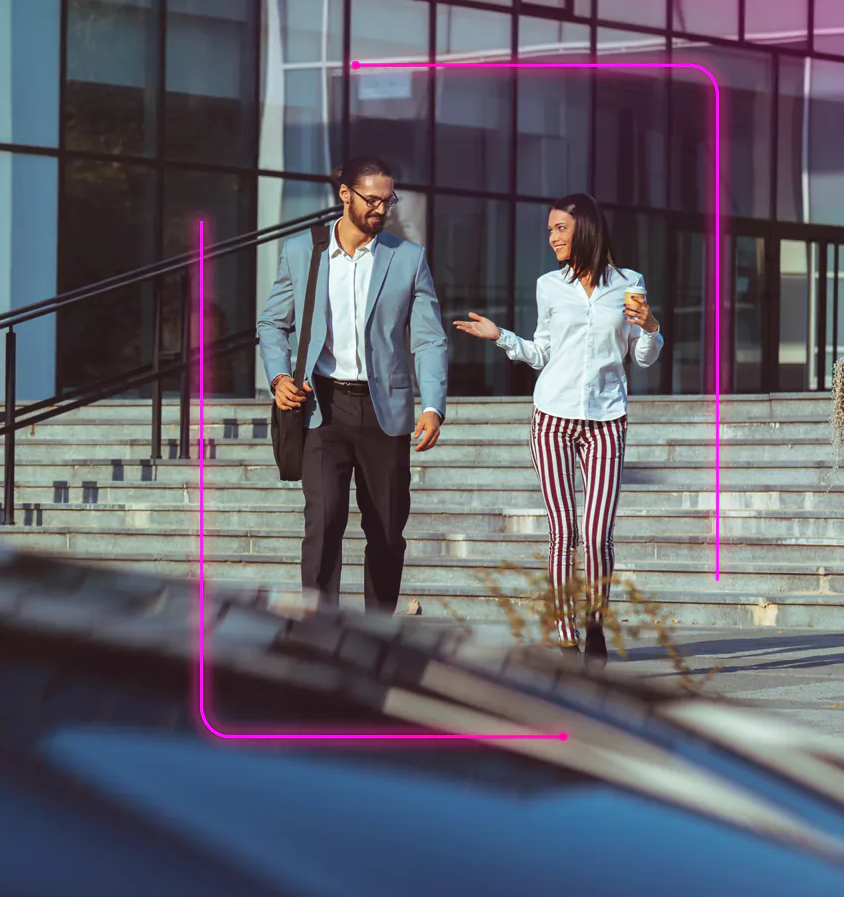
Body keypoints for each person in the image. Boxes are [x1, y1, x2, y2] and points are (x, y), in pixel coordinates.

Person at [453, 192, 663, 664]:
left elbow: (643, 358)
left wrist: (650, 324)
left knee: (597, 531)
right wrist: (502, 337)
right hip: (551, 417)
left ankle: (595, 623)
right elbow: (543, 351)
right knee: (562, 529)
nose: (552, 238)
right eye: (549, 230)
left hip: (606, 419)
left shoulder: (630, 284)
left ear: (585, 228)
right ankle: (568, 636)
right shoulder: (549, 285)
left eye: (560, 229)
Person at [258, 156, 448, 615]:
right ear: (346, 194)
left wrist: (433, 406)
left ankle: (376, 633)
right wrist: (280, 376)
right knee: (323, 522)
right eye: (373, 199)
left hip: (385, 412)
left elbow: (428, 339)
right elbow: (271, 323)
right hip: (322, 406)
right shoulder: (304, 251)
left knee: (385, 530)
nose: (382, 209)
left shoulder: (408, 259)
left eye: (389, 200)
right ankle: (320, 635)